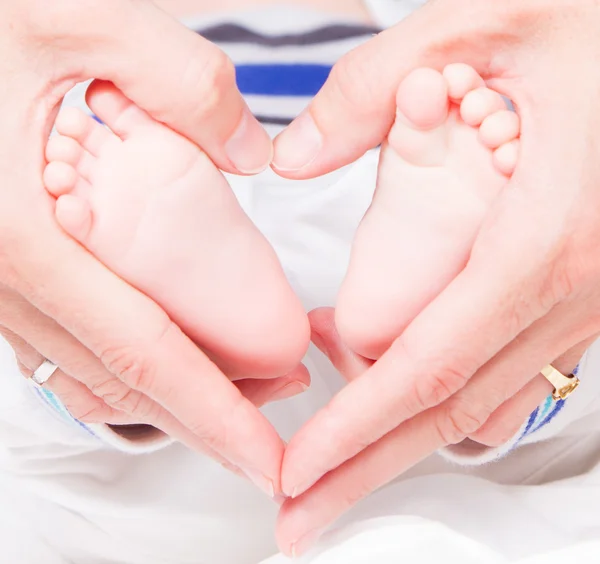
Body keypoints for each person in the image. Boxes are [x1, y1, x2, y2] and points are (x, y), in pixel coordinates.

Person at [1, 0, 600, 561]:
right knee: (46, 297)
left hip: (166, 178)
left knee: (547, 274)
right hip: (368, 181)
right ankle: (440, 283)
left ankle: (164, 320)